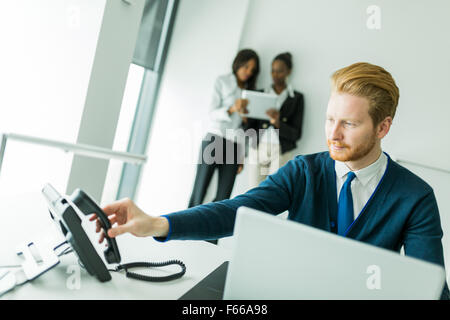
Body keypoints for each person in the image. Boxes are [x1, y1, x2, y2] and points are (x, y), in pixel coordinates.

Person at [91, 62, 449, 299]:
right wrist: (157, 223)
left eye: (349, 124)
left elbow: (430, 289)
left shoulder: (414, 197)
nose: (333, 135)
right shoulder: (303, 171)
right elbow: (234, 211)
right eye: (329, 119)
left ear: (383, 127)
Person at [188, 49, 259, 210]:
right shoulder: (222, 81)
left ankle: (212, 236)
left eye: (252, 70)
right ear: (238, 63)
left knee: (224, 197)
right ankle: (184, 229)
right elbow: (212, 113)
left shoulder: (252, 92)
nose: (248, 72)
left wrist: (242, 155)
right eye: (246, 67)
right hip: (215, 138)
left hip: (235, 146)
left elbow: (248, 130)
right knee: (200, 190)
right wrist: (232, 109)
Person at [242, 52, 304, 186]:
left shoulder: (296, 98)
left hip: (280, 150)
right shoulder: (259, 94)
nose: (275, 75)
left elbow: (296, 134)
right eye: (273, 71)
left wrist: (278, 123)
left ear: (289, 71)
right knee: (253, 191)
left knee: (274, 191)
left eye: (280, 71)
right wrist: (245, 117)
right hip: (257, 147)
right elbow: (247, 129)